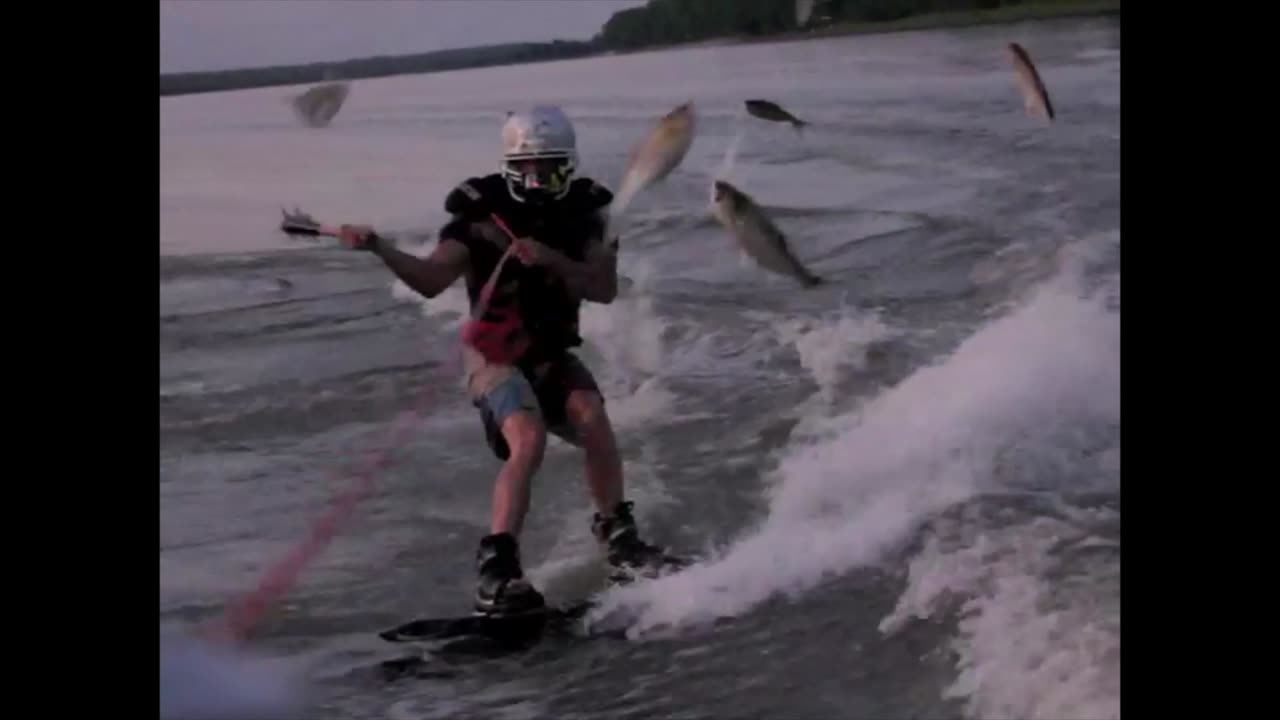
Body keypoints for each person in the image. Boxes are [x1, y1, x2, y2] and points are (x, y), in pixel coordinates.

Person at [337, 105, 678, 617]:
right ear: (510, 168)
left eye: (551, 168)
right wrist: (381, 248)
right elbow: (431, 279)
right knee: (528, 435)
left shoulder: (590, 215)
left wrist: (554, 260)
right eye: (528, 170)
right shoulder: (476, 220)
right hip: (494, 354)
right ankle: (498, 569)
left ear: (570, 166)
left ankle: (619, 538)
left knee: (593, 419)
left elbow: (603, 288)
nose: (539, 181)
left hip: (550, 351)